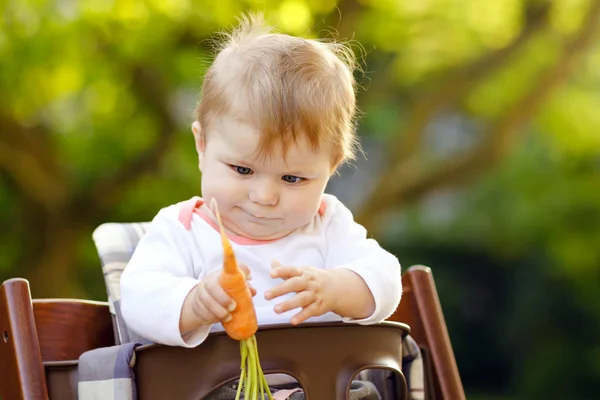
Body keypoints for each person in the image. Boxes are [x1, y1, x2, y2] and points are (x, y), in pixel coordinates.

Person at [120, 13, 402, 350]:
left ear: (332, 167)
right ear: (203, 146)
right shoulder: (180, 230)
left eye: (292, 178)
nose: (265, 196)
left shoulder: (328, 225)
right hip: (219, 384)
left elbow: (385, 278)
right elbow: (139, 298)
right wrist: (193, 302)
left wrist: (336, 288)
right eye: (243, 170)